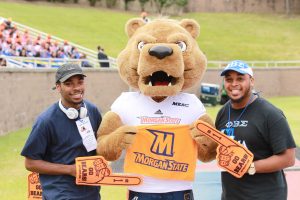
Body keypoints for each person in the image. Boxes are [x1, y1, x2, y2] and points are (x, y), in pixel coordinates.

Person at [215, 60, 296, 200]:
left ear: (252, 81)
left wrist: (248, 166)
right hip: (231, 195)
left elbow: (288, 158)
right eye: (229, 79)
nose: (234, 84)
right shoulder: (223, 112)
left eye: (240, 78)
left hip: (265, 195)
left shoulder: (270, 114)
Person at [21, 63, 102, 200]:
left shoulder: (92, 110)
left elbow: (101, 145)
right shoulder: (46, 121)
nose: (76, 88)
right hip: (60, 194)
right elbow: (30, 163)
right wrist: (70, 170)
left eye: (80, 82)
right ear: (58, 87)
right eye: (69, 84)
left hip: (91, 193)